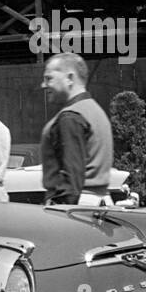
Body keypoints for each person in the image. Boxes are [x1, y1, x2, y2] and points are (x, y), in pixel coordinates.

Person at [39, 53, 114, 206]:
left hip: (76, 206)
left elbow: (71, 181)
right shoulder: (94, 109)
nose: (43, 85)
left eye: (49, 78)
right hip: (98, 201)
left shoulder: (70, 117)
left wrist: (61, 212)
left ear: (70, 78)